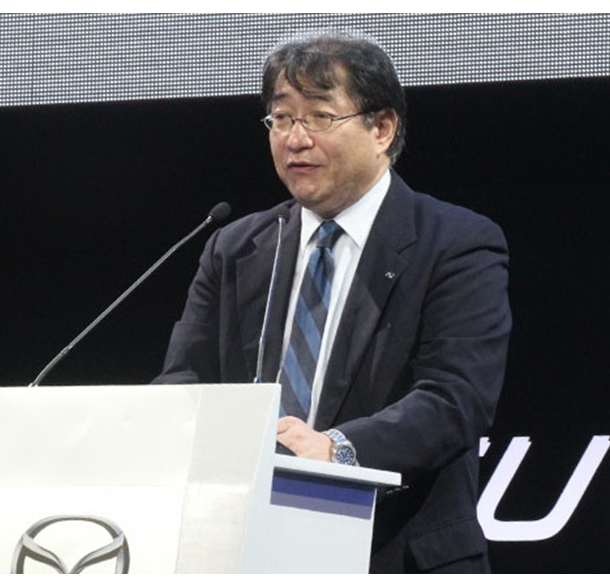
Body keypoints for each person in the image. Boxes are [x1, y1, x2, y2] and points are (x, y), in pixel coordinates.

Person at [153, 31, 511, 573]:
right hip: (243, 550)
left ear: (381, 128)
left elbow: (455, 397)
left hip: (394, 554)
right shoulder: (235, 246)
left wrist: (336, 450)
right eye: (281, 118)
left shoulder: (455, 243)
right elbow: (186, 384)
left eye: (320, 116)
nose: (295, 139)